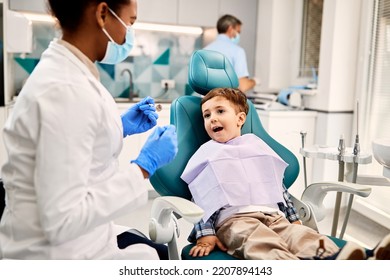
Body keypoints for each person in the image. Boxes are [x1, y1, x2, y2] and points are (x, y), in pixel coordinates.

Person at [0, 0, 178, 260]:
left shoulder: (70, 71)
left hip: (81, 241)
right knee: (155, 258)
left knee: (151, 254)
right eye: (130, 22)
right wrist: (144, 167)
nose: (129, 33)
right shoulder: (65, 89)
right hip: (55, 256)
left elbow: (76, 139)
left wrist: (118, 127)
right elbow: (62, 219)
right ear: (103, 14)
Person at [181, 87, 390, 260]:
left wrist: (294, 220)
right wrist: (206, 234)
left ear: (240, 118)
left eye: (219, 111)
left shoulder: (257, 147)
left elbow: (277, 188)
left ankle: (343, 259)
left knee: (303, 237)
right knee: (261, 242)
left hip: (273, 216)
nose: (212, 119)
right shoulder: (208, 154)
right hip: (235, 220)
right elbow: (202, 196)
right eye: (206, 115)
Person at [204, 15, 259, 93]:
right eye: (238, 32)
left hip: (205, 102)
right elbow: (242, 86)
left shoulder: (204, 50)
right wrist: (255, 81)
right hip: (226, 102)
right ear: (230, 29)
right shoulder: (237, 51)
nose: (239, 35)